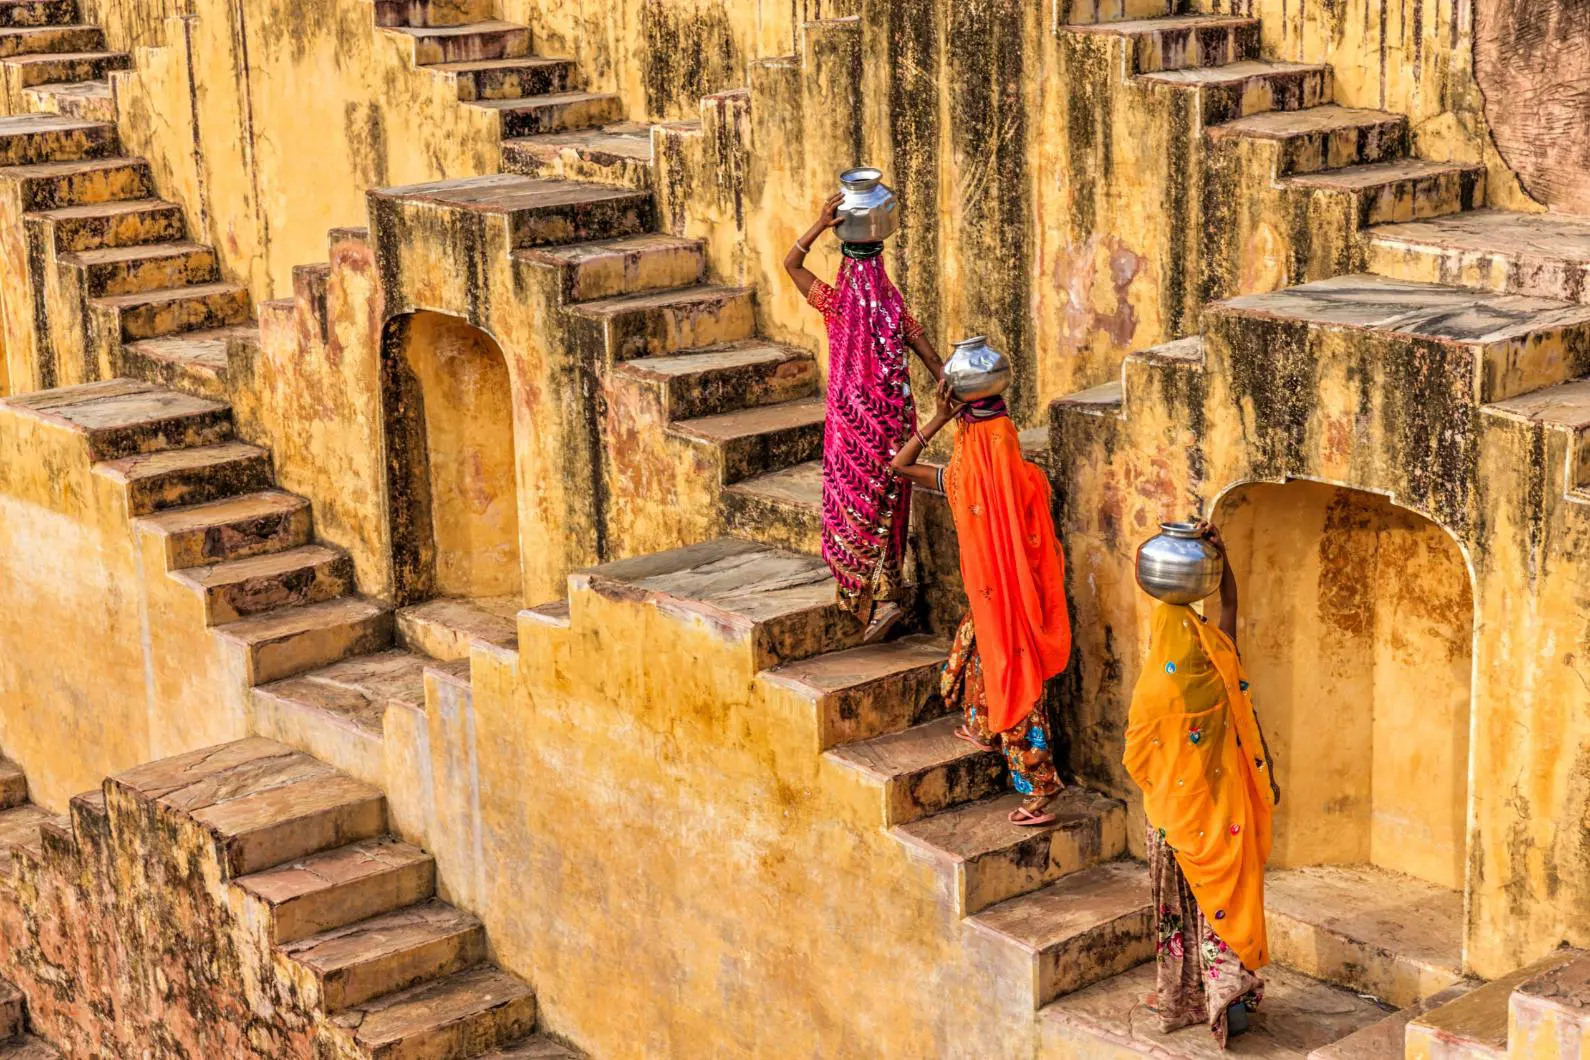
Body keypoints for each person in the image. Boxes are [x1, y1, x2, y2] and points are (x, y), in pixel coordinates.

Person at [1122, 523, 1282, 1047]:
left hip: (1174, 821)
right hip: (1223, 810)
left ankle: (1186, 997)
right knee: (1224, 905)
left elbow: (1137, 758)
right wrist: (1222, 557)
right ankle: (1229, 1004)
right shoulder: (1218, 655)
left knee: (1181, 912)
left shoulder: (1156, 689)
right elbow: (1228, 608)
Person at [890, 378, 1071, 826]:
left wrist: (937, 419)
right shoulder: (1032, 482)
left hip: (999, 604)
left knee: (1014, 681)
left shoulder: (959, 481)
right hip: (1021, 604)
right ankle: (982, 724)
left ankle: (1040, 791)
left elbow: (899, 465)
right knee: (979, 650)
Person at [784, 193, 944, 643]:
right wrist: (956, 391)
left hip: (851, 425)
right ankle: (885, 597)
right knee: (888, 507)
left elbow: (791, 266)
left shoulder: (836, 304)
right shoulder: (893, 309)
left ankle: (865, 600)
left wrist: (817, 227)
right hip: (892, 425)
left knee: (853, 507)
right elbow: (932, 359)